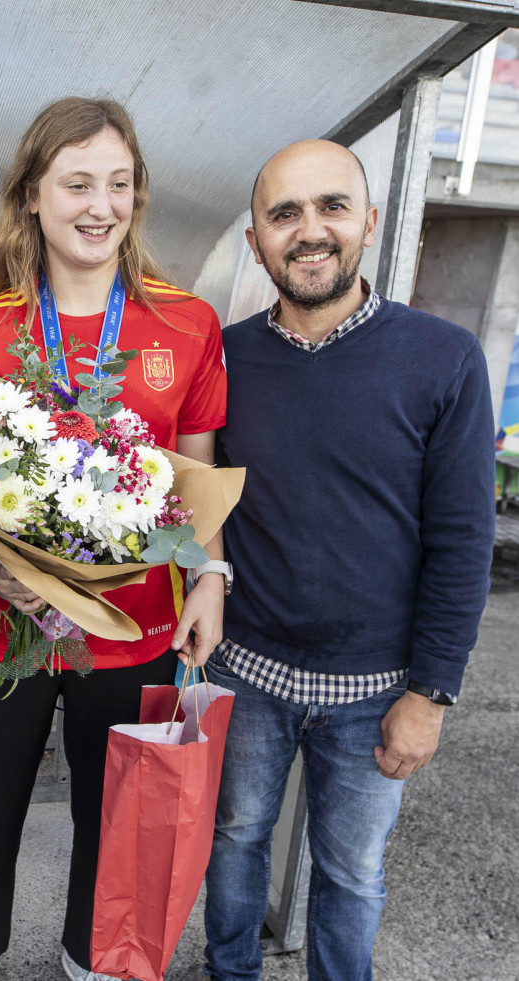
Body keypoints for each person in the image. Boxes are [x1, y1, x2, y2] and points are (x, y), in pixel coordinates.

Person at [0, 97, 230, 981]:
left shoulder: (188, 324)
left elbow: (193, 484)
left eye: (119, 184)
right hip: (6, 628)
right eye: (76, 184)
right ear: (29, 195)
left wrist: (206, 579)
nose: (100, 206)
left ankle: (89, 961)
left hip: (133, 628)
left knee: (113, 817)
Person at [203, 139, 496, 981]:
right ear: (257, 240)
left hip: (376, 687)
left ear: (368, 223)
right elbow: (195, 502)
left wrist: (431, 695)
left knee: (351, 872)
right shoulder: (221, 357)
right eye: (283, 214)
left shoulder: (442, 359)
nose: (309, 230)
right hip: (244, 670)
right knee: (233, 840)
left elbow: (461, 540)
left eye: (330, 206)